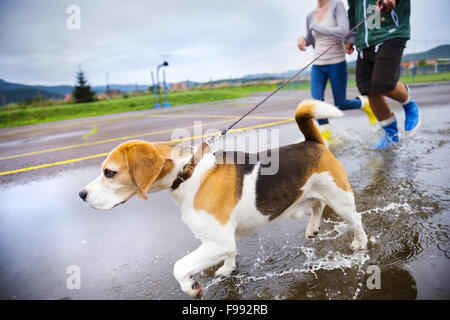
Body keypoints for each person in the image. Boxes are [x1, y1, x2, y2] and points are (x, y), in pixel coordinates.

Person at [298, 0, 377, 144]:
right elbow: (310, 38)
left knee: (341, 103)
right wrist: (302, 40)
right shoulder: (310, 16)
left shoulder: (336, 5)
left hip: (337, 62)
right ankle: (326, 137)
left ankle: (365, 104)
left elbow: (343, 30)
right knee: (317, 103)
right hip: (317, 65)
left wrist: (318, 27)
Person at [346, 0, 420, 149]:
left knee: (383, 83)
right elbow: (354, 9)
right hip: (367, 38)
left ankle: (408, 103)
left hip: (391, 32)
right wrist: (351, 37)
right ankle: (391, 134)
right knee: (367, 88)